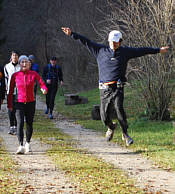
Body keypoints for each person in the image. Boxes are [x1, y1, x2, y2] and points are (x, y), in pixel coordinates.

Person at [61, 27, 169, 146]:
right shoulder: (100, 50)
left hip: (118, 87)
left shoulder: (125, 52)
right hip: (104, 88)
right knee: (104, 115)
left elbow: (141, 50)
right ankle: (111, 127)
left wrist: (158, 50)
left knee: (119, 109)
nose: (113, 44)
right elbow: (86, 41)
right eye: (112, 41)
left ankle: (125, 134)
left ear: (120, 41)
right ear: (108, 41)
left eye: (116, 42)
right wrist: (72, 33)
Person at [7, 55, 48, 154]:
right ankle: (20, 145)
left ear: (29, 64)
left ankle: (28, 144)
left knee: (29, 123)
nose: (24, 64)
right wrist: (9, 104)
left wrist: (44, 89)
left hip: (30, 102)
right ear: (19, 64)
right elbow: (10, 90)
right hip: (19, 102)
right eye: (22, 62)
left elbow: (41, 83)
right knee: (20, 124)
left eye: (26, 62)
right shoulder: (15, 75)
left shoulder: (33, 74)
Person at [4, 51, 20, 135]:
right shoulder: (7, 66)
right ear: (11, 56)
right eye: (13, 55)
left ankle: (17, 127)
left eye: (16, 55)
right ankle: (11, 126)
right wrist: (6, 88)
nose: (15, 57)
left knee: (17, 109)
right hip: (10, 91)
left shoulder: (21, 66)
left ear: (18, 57)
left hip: (19, 92)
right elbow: (6, 78)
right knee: (10, 109)